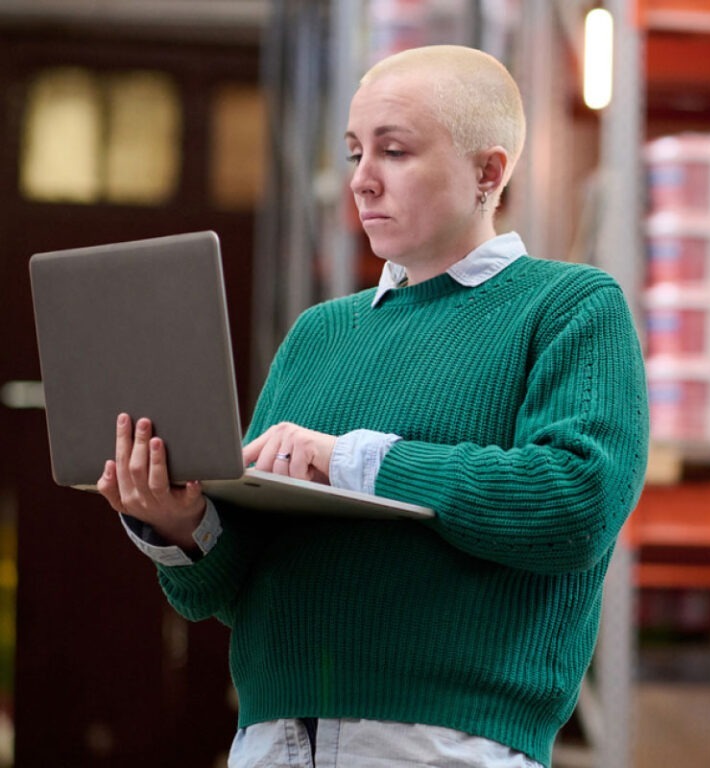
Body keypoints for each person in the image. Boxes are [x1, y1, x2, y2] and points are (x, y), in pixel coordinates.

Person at [98, 44, 649, 768]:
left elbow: (575, 505)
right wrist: (182, 526)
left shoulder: (570, 308)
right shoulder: (320, 333)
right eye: (356, 153)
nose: (361, 181)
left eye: (393, 151)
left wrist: (352, 459)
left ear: (490, 172)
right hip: (271, 741)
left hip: (443, 745)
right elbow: (228, 591)